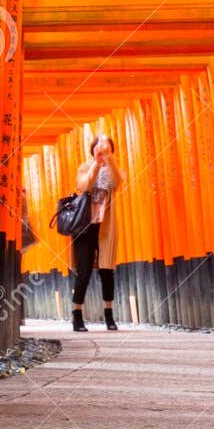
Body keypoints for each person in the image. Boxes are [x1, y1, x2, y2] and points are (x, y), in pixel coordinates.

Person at [70, 134, 123, 332]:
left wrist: (109, 161)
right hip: (84, 227)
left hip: (106, 227)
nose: (101, 151)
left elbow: (117, 183)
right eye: (98, 148)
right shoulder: (84, 167)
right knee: (83, 272)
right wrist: (96, 164)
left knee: (107, 271)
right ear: (92, 150)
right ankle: (77, 315)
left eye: (106, 148)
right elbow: (83, 185)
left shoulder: (114, 170)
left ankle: (109, 315)